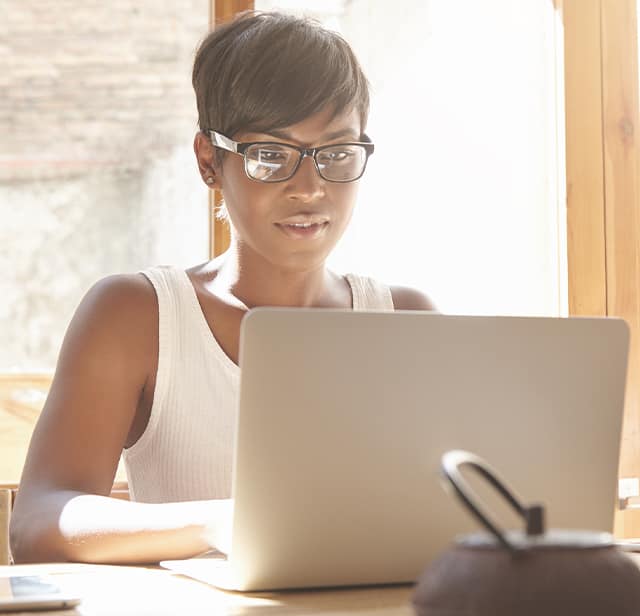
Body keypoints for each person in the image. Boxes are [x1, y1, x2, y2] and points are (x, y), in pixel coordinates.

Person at [10, 10, 435, 565]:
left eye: (334, 154)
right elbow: (40, 521)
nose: (309, 188)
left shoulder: (406, 319)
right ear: (209, 160)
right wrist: (225, 522)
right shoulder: (137, 315)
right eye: (271, 156)